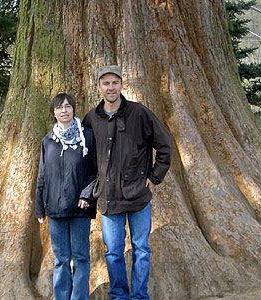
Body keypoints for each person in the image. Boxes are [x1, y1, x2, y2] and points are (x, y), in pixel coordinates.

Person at [83, 65, 172, 300]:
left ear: (122, 85)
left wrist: (154, 177)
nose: (110, 88)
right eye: (106, 83)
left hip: (138, 195)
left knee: (141, 249)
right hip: (108, 197)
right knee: (113, 252)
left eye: (115, 83)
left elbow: (165, 146)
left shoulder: (139, 113)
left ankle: (139, 296)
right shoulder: (92, 118)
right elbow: (85, 154)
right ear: (99, 87)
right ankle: (119, 295)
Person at [35, 93, 97, 300]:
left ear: (73, 109)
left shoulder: (87, 137)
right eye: (60, 107)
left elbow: (96, 171)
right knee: (61, 258)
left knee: (81, 257)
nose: (64, 110)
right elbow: (42, 175)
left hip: (80, 208)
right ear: (54, 112)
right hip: (55, 209)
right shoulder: (48, 141)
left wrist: (87, 195)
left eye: (68, 106)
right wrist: (39, 207)